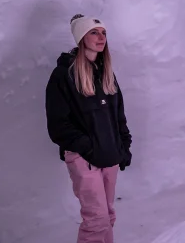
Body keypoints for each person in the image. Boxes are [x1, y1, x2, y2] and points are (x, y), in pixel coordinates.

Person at [45, 14, 132, 243]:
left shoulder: (106, 73)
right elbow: (58, 125)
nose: (101, 37)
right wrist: (87, 148)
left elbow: (118, 116)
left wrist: (123, 147)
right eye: (94, 32)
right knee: (96, 220)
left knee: (108, 216)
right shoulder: (64, 75)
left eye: (103, 32)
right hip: (84, 157)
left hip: (109, 155)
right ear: (81, 37)